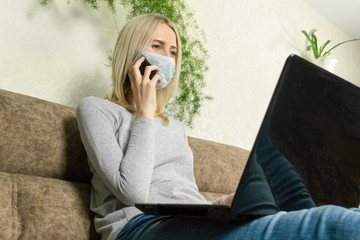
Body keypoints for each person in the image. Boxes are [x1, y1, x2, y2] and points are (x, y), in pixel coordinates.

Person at [76, 14, 360, 240]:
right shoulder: (96, 109)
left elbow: (181, 195)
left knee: (300, 210)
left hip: (189, 221)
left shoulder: (174, 127)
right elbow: (134, 193)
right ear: (132, 53)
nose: (167, 58)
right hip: (138, 227)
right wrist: (145, 112)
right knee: (331, 224)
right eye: (157, 46)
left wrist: (221, 203)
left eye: (173, 52)